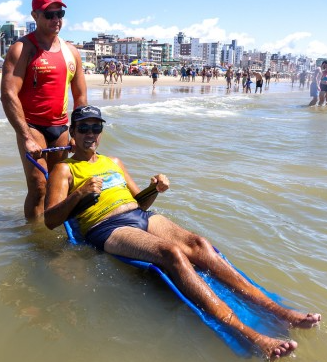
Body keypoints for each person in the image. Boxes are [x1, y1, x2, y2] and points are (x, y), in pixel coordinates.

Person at [44, 105, 321, 361]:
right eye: (84, 128)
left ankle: (279, 313)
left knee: (200, 245)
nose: (91, 134)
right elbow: (51, 220)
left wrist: (155, 188)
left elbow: (139, 201)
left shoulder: (113, 162)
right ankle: (248, 334)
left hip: (138, 215)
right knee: (172, 253)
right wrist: (79, 192)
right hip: (106, 227)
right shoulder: (64, 169)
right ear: (73, 131)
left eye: (96, 128)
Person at [0, 0, 87, 220]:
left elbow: (80, 97)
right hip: (33, 126)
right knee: (38, 187)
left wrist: (78, 133)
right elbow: (8, 93)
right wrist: (26, 136)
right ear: (35, 16)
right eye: (49, 15)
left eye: (60, 13)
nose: (56, 19)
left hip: (61, 127)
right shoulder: (22, 48)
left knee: (58, 188)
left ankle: (51, 233)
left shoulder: (72, 52)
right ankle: (33, 239)